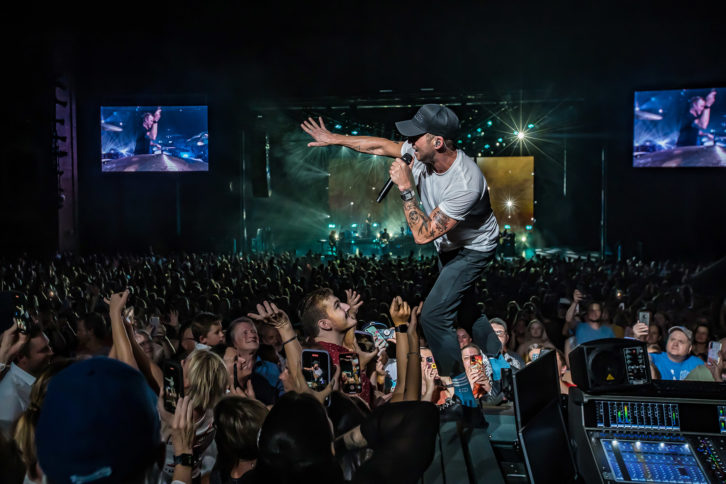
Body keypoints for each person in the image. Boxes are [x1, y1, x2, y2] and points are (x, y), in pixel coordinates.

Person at [302, 104, 500, 410]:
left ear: (437, 142)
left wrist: (406, 188)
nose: (409, 142)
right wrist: (334, 138)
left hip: (473, 248)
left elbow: (422, 235)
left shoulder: (466, 182)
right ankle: (503, 365)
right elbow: (381, 145)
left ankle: (462, 396)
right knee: (465, 310)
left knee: (434, 316)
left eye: (416, 137)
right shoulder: (421, 153)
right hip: (449, 246)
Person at [0, 325, 53, 438]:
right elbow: (10, 446)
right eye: (44, 350)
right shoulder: (10, 396)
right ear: (20, 357)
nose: (51, 352)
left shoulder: (42, 378)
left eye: (49, 346)